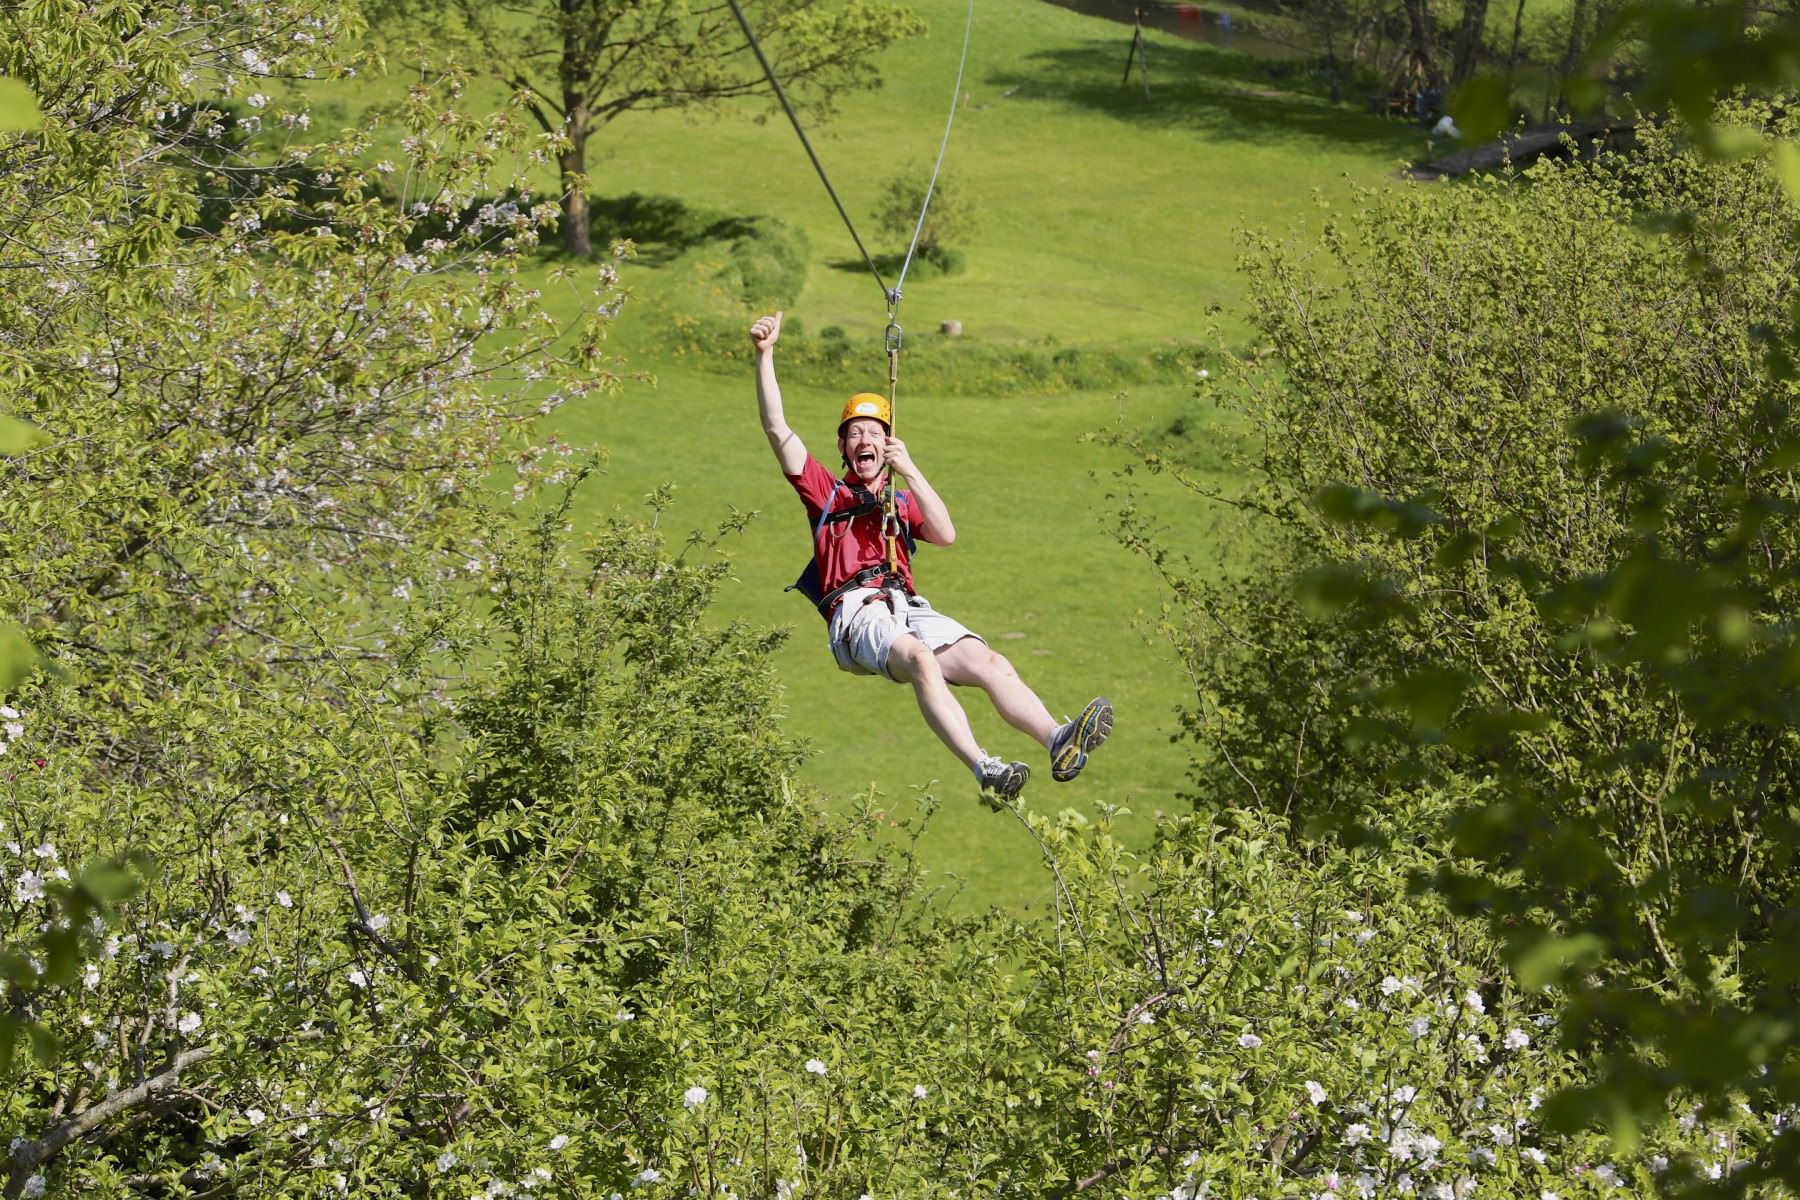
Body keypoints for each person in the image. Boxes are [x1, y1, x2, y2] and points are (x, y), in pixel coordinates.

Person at [750, 310, 1112, 802]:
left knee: (988, 660)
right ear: (842, 446)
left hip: (907, 607)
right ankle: (984, 766)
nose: (864, 440)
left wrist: (912, 470)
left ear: (888, 443)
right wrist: (765, 355)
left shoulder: (900, 499)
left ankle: (1056, 739)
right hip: (856, 614)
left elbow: (945, 533)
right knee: (921, 659)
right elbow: (776, 428)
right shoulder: (826, 493)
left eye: (874, 432)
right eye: (855, 433)